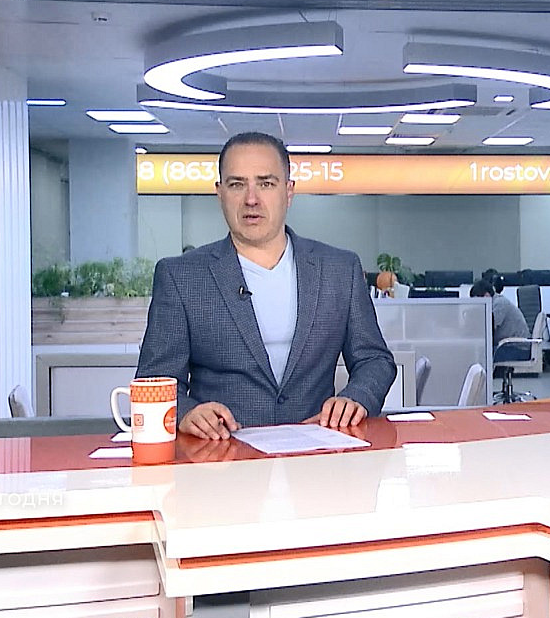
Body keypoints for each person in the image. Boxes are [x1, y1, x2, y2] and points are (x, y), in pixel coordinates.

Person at [136, 132, 396, 438]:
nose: (251, 199)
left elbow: (374, 360)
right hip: (221, 454)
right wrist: (186, 413)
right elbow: (155, 380)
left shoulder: (339, 270)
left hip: (317, 450)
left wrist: (357, 398)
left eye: (266, 183)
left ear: (289, 191)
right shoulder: (181, 276)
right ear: (220, 193)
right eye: (237, 184)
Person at [470, 278, 531, 358]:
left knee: (482, 356)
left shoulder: (499, 304)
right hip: (510, 345)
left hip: (519, 348)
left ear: (486, 295)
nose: (476, 305)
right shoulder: (494, 303)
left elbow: (489, 329)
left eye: (477, 302)